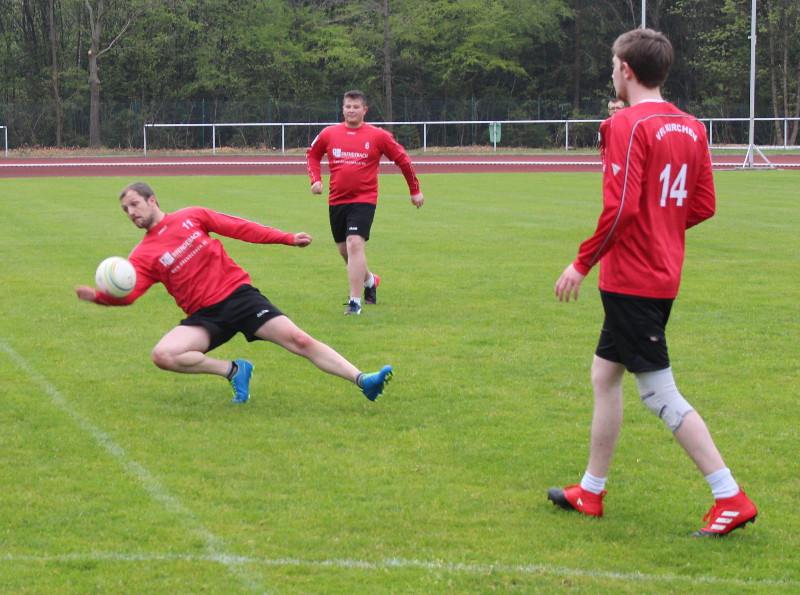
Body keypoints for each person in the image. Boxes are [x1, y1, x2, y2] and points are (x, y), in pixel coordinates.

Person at [550, 29, 757, 537]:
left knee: (657, 391)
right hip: (662, 270)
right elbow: (703, 205)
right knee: (605, 377)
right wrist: (661, 229)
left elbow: (620, 206)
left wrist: (581, 262)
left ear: (625, 69)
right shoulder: (691, 126)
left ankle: (729, 495)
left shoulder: (625, 123)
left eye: (612, 65)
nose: (611, 73)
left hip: (633, 277)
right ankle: (591, 491)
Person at [75, 182, 393, 403]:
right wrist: (101, 297)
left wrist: (285, 238)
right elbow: (130, 295)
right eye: (125, 209)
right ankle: (233, 370)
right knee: (163, 355)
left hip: (239, 298)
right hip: (206, 317)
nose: (131, 212)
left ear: (152, 200)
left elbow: (238, 227)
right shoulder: (141, 256)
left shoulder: (191, 216)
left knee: (300, 340)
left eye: (134, 204)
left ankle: (363, 380)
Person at [306, 90, 425, 315]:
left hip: (364, 199)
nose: (351, 110)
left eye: (356, 107)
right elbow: (312, 155)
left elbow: (403, 160)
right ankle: (370, 280)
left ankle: (354, 302)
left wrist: (415, 190)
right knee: (344, 249)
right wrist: (316, 180)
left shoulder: (378, 136)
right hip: (337, 199)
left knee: (354, 244)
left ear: (364, 110)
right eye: (348, 106)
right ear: (342, 109)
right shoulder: (329, 133)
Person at [598, 98, 626, 169]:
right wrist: (604, 161)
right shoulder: (604, 125)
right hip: (611, 162)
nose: (615, 111)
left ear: (624, 110)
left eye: (618, 108)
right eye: (613, 108)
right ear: (609, 112)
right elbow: (602, 146)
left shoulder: (632, 124)